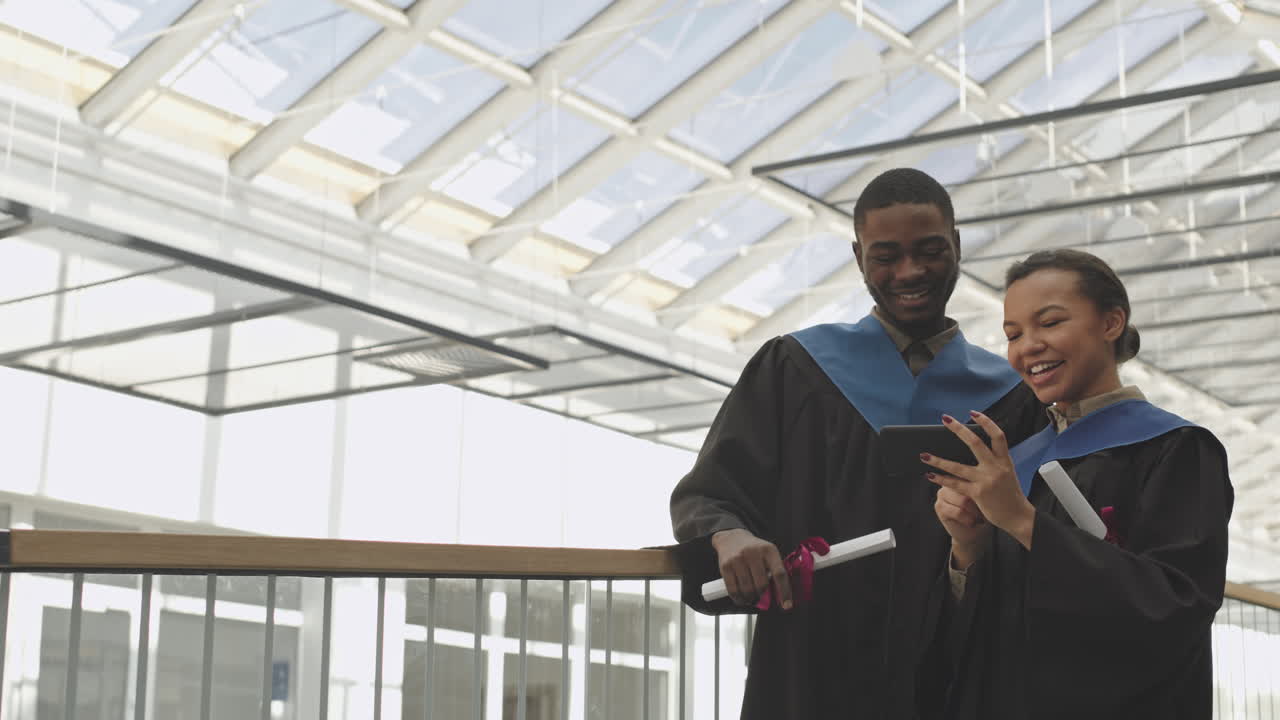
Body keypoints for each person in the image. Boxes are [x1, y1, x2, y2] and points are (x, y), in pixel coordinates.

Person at [668, 168, 1047, 718]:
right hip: (816, 659)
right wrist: (729, 535)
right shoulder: (795, 369)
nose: (909, 272)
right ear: (858, 257)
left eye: (930, 251)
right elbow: (711, 492)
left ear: (957, 246)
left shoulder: (1012, 398)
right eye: (885, 256)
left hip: (965, 665)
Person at [921, 249, 1233, 719]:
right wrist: (968, 549)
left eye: (1050, 323)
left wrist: (1023, 521)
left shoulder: (1175, 449)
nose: (1027, 347)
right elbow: (978, 640)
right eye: (1013, 334)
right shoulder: (1015, 464)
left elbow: (1177, 605)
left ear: (1111, 323)